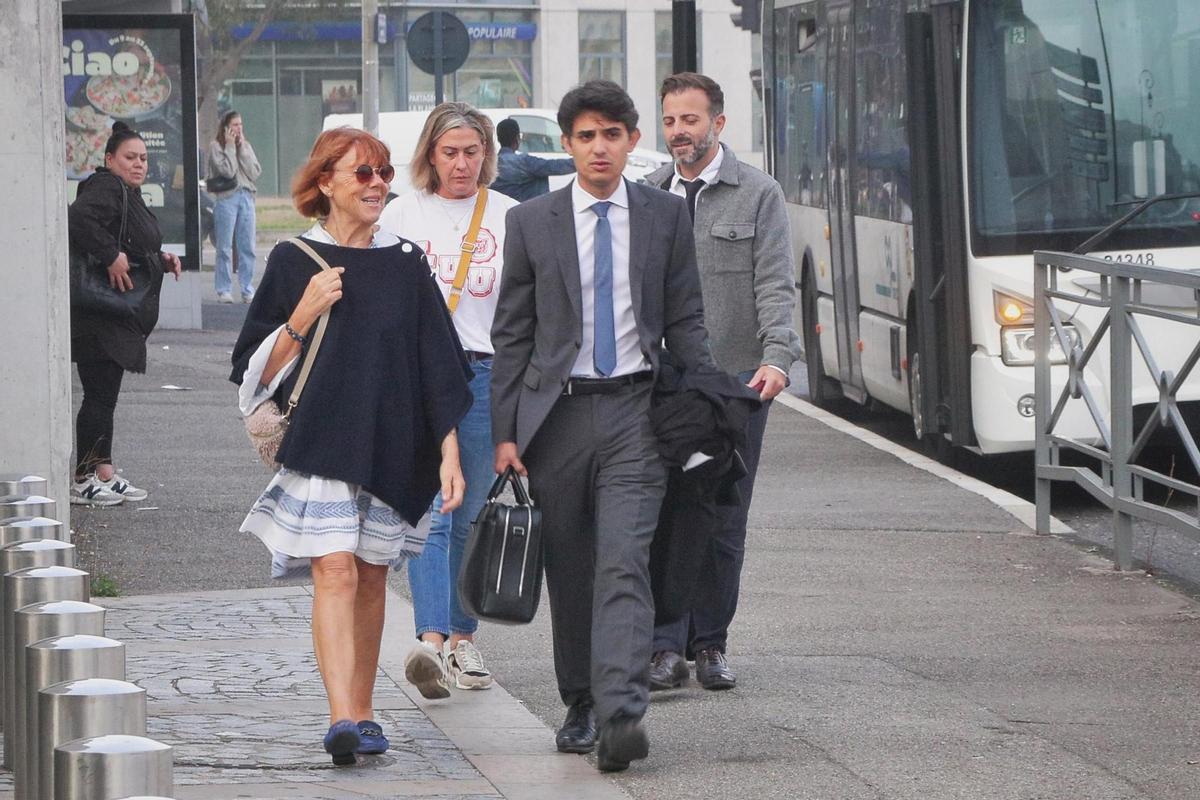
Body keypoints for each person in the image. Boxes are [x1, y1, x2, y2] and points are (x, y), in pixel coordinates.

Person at [490, 80, 715, 773]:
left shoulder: (663, 217)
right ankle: (582, 699)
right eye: (585, 136)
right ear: (566, 145)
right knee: (573, 565)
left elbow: (685, 321)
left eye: (611, 134)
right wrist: (505, 435)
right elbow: (512, 334)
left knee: (624, 560)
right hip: (555, 415)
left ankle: (621, 712)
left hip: (635, 413)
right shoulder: (532, 221)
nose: (598, 147)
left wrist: (704, 410)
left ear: (630, 140)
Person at [230, 127, 473, 765]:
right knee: (333, 569)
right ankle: (341, 716)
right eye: (363, 173)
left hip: (395, 437)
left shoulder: (405, 261)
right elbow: (254, 369)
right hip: (324, 439)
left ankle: (364, 712)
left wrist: (449, 452)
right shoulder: (292, 260)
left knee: (370, 575)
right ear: (325, 183)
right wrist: (302, 315)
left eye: (384, 173)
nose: (377, 184)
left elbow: (436, 366)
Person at [644, 72, 800, 692]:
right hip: (666, 385)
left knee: (722, 516)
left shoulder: (758, 194)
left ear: (718, 123)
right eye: (671, 121)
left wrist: (778, 357)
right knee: (661, 515)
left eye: (690, 119)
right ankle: (663, 646)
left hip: (737, 384)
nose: (680, 131)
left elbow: (774, 283)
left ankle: (710, 644)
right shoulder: (649, 195)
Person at [377, 102, 519, 699]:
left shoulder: (512, 216)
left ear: (486, 153)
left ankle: (463, 637)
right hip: (420, 376)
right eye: (449, 152)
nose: (462, 164)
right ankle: (432, 640)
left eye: (471, 152)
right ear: (430, 155)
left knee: (472, 511)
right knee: (434, 505)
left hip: (488, 374)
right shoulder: (402, 214)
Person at [67, 121, 182, 506]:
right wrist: (109, 256)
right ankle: (84, 478)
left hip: (113, 314)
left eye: (143, 158)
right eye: (130, 157)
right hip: (99, 315)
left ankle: (105, 472)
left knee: (106, 395)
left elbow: (132, 242)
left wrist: (161, 260)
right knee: (99, 395)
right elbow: (78, 219)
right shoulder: (106, 186)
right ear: (109, 159)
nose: (139, 164)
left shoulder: (127, 193)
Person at [209, 110, 261, 303]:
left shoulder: (245, 146)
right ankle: (224, 289)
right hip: (226, 198)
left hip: (246, 196)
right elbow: (228, 171)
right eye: (235, 125)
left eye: (240, 125)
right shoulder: (216, 147)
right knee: (224, 246)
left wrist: (242, 149)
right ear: (226, 127)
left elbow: (255, 172)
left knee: (247, 246)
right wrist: (230, 147)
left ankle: (247, 288)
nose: (239, 128)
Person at [490, 117, 576, 201]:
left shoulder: (490, 164)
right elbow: (555, 167)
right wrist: (580, 161)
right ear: (517, 138)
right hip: (527, 212)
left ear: (498, 139)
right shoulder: (524, 162)